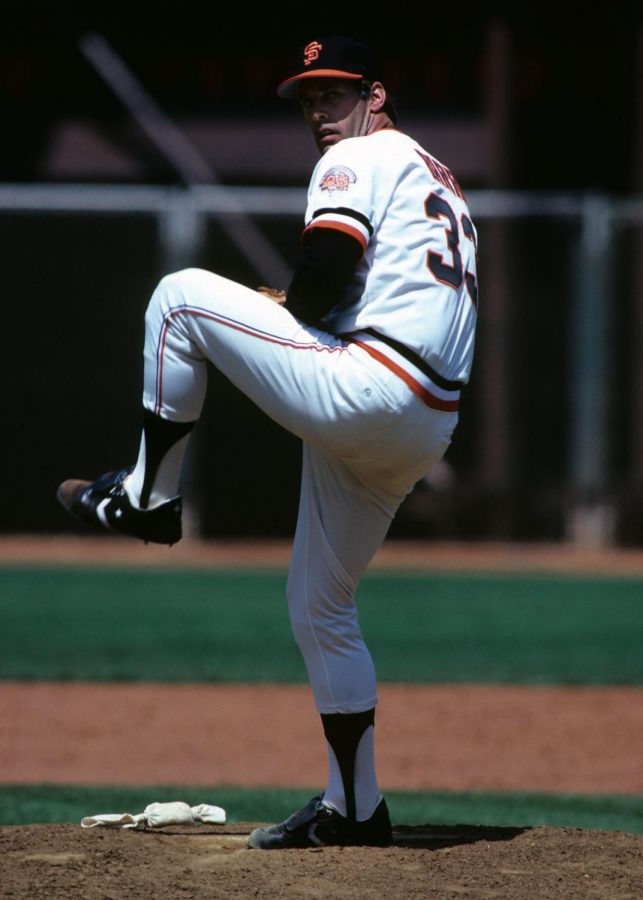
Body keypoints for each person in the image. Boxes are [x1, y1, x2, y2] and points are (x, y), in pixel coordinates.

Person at [57, 36, 478, 849]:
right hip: (424, 422)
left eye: (333, 93)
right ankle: (356, 808)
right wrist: (301, 310)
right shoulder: (441, 179)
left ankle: (146, 494)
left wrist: (292, 305)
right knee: (320, 606)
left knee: (179, 298)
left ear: (376, 94)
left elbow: (327, 264)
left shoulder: (360, 155)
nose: (319, 111)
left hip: (371, 387)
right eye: (307, 98)